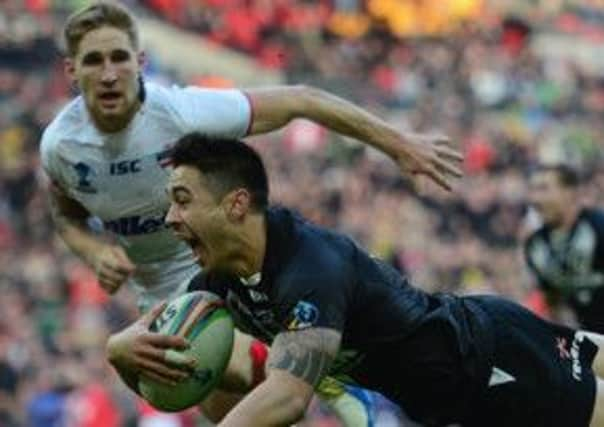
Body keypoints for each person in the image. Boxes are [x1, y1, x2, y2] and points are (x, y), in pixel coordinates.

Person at [39, 2, 462, 424]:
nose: (109, 73)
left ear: (140, 62)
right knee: (226, 405)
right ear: (71, 71)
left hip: (226, 258)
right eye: (94, 60)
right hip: (160, 289)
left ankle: (328, 374)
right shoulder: (60, 147)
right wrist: (93, 251)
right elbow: (66, 213)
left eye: (120, 57)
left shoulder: (180, 113)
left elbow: (301, 99)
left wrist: (398, 144)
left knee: (244, 380)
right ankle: (315, 372)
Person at [122, 132, 604, 427]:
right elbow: (170, 347)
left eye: (182, 199)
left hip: (495, 368)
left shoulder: (310, 268)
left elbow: (289, 397)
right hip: (474, 360)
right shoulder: (223, 278)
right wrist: (119, 349)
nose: (170, 217)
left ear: (236, 204)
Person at [525, 164, 604, 333]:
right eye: (533, 190)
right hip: (589, 344)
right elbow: (553, 301)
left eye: (544, 189)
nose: (535, 199)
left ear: (570, 192)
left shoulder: (599, 228)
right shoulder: (535, 246)